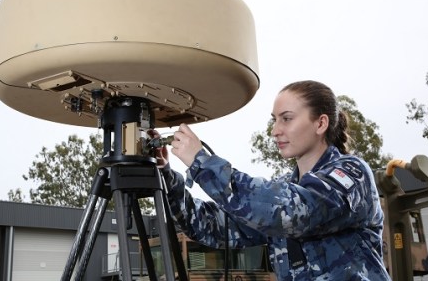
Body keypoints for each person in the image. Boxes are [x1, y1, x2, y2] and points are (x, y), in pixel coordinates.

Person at [151, 80, 391, 281]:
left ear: (321, 123)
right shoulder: (285, 189)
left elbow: (292, 211)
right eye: (274, 120)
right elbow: (213, 227)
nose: (275, 130)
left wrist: (201, 162)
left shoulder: (351, 174)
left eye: (286, 119)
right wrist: (167, 177)